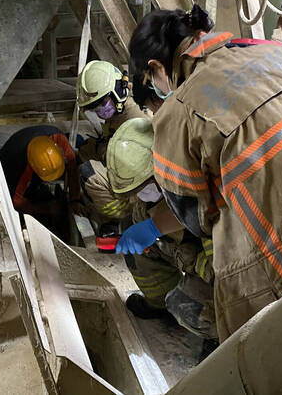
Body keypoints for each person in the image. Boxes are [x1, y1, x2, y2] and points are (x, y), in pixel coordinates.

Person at [128, 5, 282, 341]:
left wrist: (155, 225)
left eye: (152, 96)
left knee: (264, 342)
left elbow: (197, 218)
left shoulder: (178, 113)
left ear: (155, 69)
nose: (158, 106)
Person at [82, 118, 218, 346]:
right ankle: (158, 305)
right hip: (191, 252)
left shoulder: (206, 201)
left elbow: (225, 274)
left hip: (220, 275)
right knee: (133, 232)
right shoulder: (160, 192)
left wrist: (183, 256)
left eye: (142, 189)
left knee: (185, 305)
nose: (138, 197)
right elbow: (150, 215)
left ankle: (220, 337)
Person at [0, 125, 84, 240]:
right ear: (32, 166)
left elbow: (72, 167)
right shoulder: (19, 166)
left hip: (32, 143)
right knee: (18, 204)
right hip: (11, 162)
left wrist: (75, 199)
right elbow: (16, 202)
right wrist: (47, 209)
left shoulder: (59, 138)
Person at [75, 60, 146, 163]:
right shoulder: (117, 113)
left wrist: (102, 151)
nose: (99, 111)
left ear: (117, 91)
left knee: (89, 172)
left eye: (101, 104)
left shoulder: (135, 120)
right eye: (94, 108)